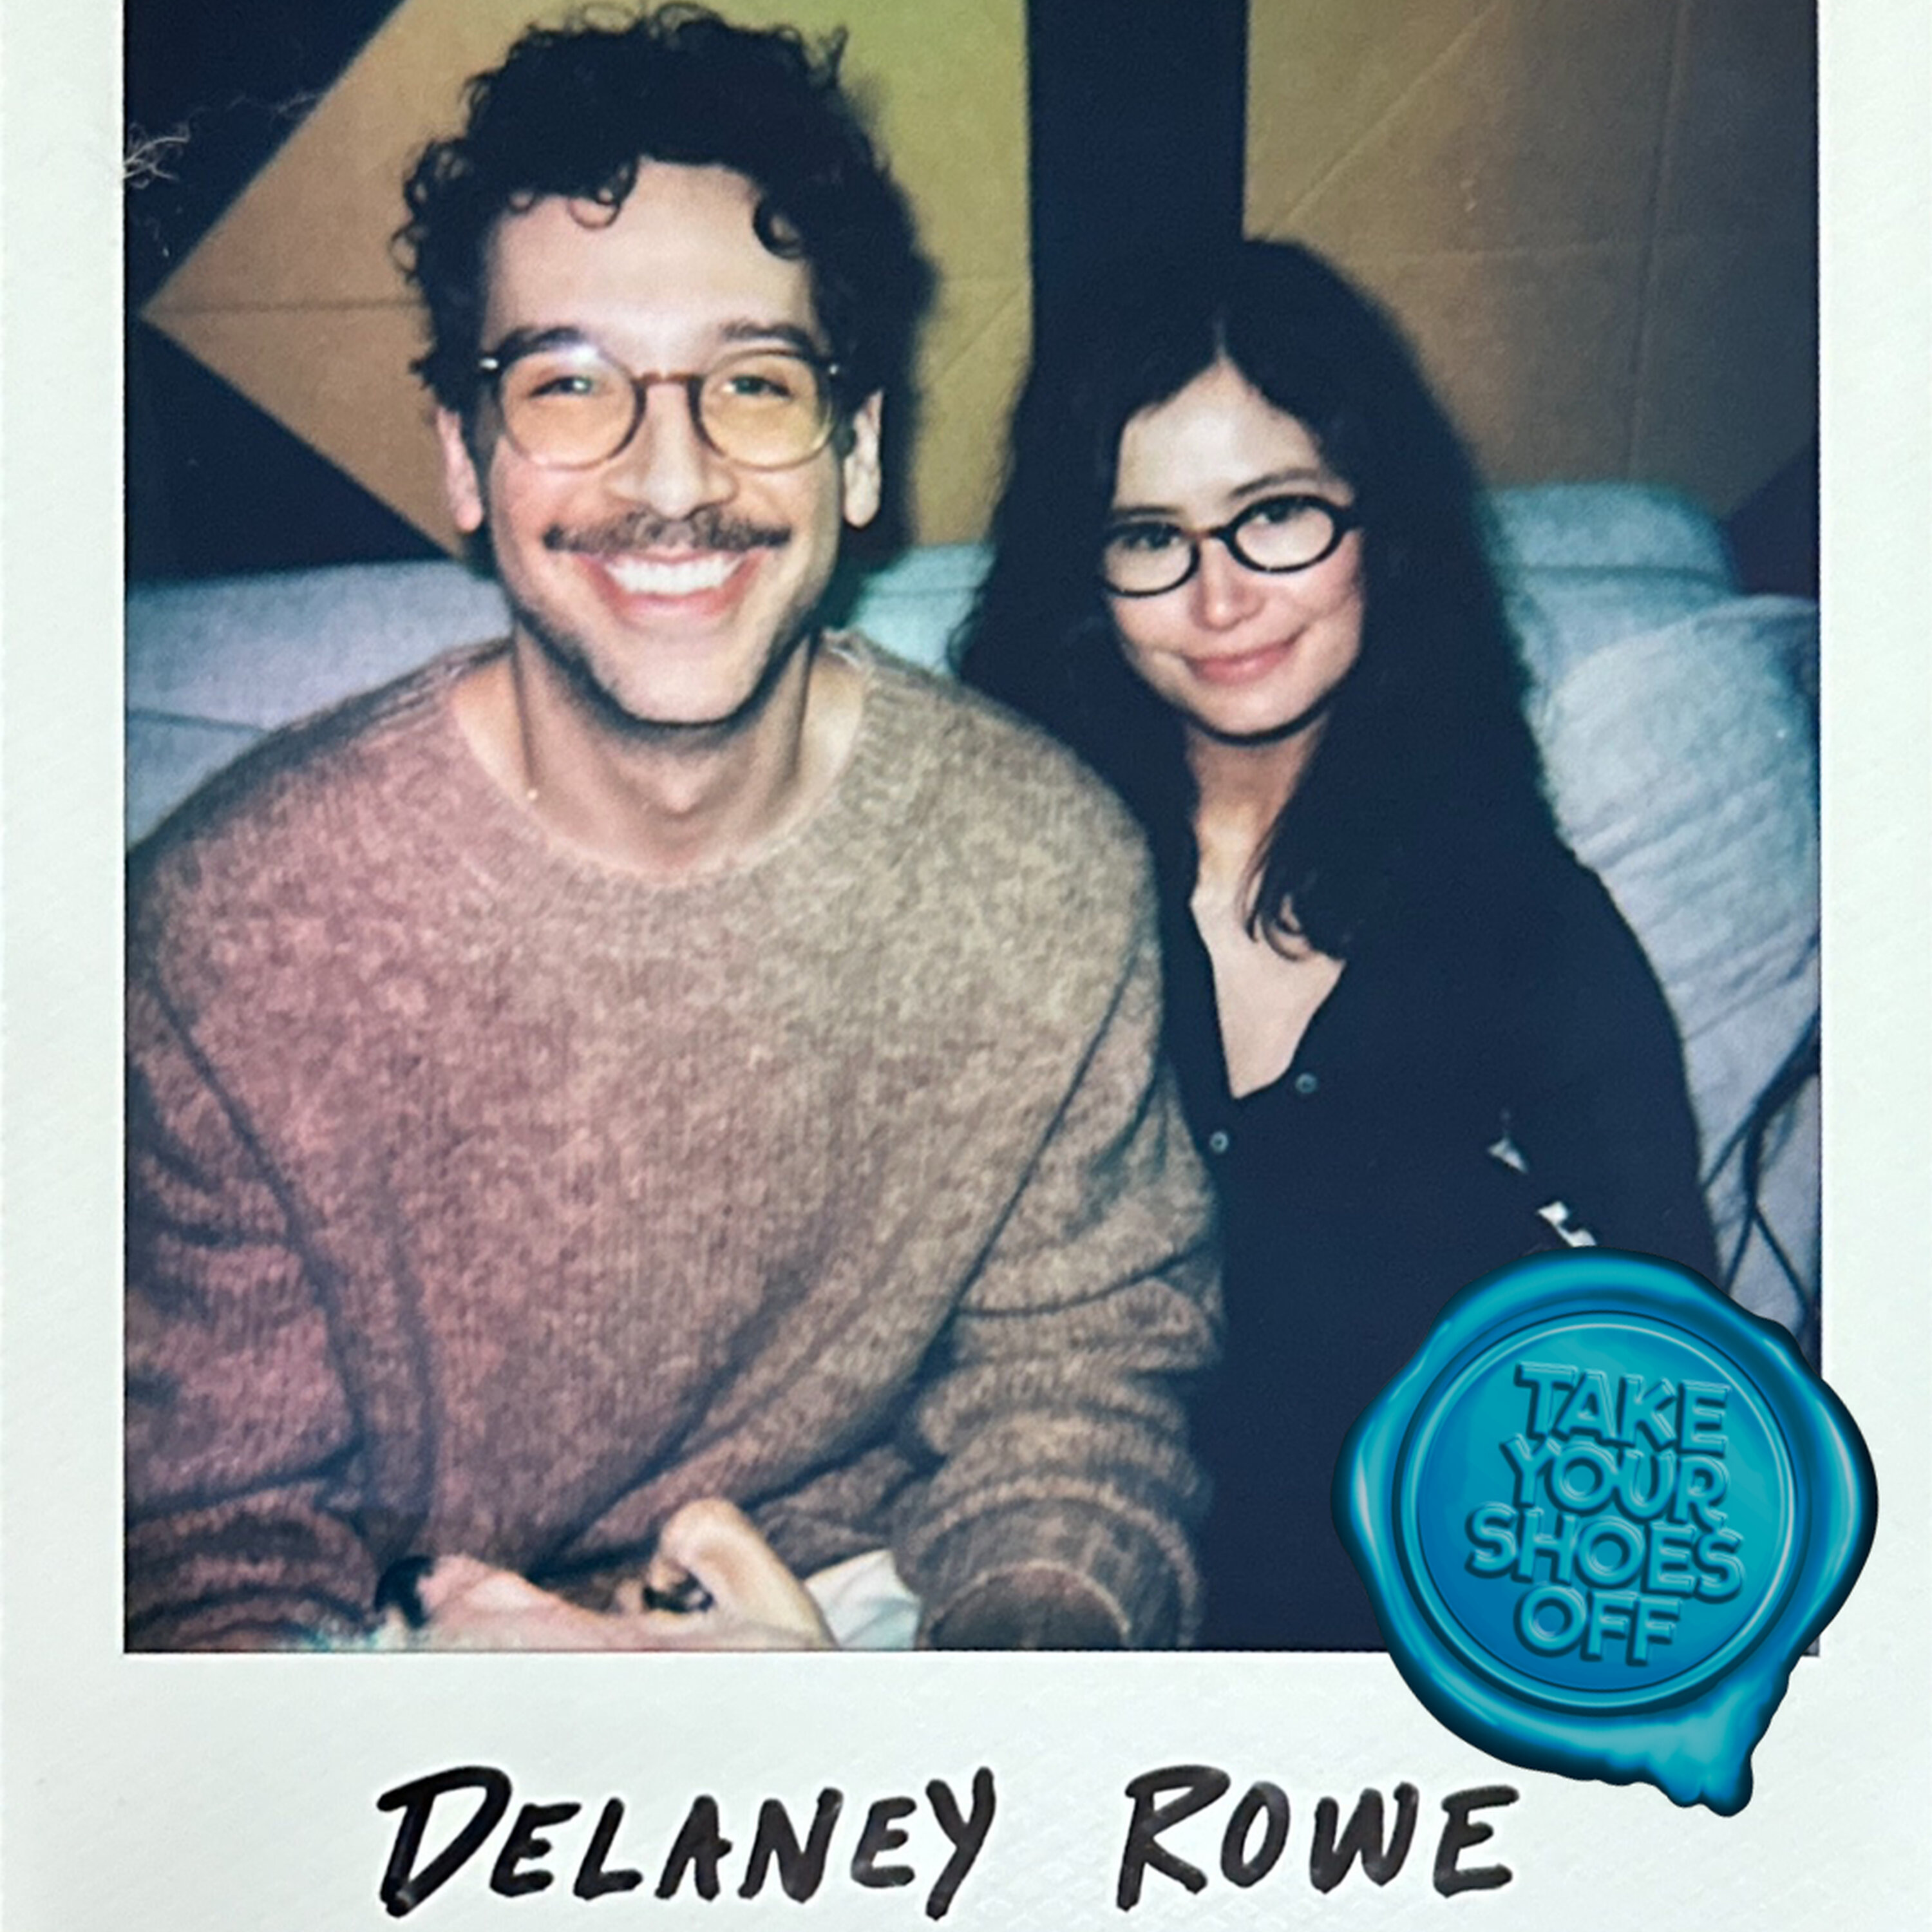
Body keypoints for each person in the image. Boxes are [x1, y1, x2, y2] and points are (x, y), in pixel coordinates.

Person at [124, 6, 1219, 1654]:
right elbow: (200, 1539)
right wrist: (390, 1718)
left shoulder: (1048, 871)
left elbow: (1082, 1389)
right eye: (570, 383)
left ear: (858, 452)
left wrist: (979, 1706)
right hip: (405, 1660)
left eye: (754, 383)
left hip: (881, 1618)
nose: (672, 474)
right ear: (465, 459)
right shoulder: (229, 934)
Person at [958, 240, 1717, 1649]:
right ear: (1084, 575)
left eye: (1278, 516)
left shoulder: (1523, 921)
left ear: (1384, 526)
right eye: (1151, 538)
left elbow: (1665, 1383)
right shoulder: (1004, 883)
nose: (1220, 599)